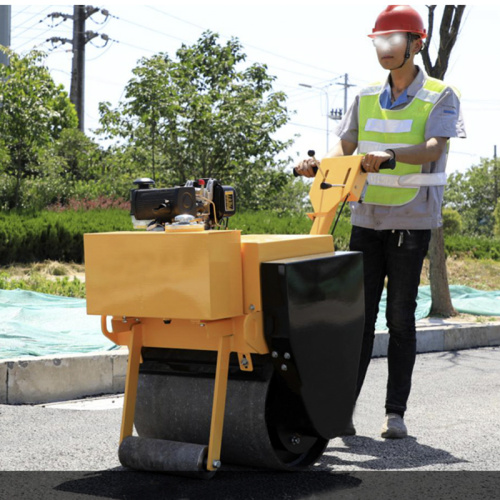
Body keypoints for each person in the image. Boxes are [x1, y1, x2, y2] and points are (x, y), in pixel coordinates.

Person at [295, 5, 466, 438]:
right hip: (366, 217)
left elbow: (432, 149)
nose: (385, 50)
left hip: (411, 220)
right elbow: (346, 144)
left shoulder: (440, 95)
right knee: (358, 318)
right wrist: (318, 164)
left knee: (401, 317)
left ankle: (395, 414)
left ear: (416, 44)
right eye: (379, 42)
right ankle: (341, 413)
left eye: (394, 41)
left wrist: (390, 156)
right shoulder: (367, 95)